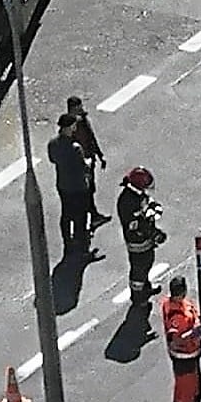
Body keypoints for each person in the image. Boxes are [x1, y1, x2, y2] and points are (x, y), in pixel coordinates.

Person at [47, 113, 96, 257]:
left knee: (66, 214)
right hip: (78, 186)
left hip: (63, 184)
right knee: (80, 217)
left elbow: (52, 160)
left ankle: (67, 242)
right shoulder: (75, 148)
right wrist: (88, 162)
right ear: (69, 127)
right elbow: (84, 166)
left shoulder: (53, 144)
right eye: (73, 126)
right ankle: (82, 249)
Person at [161, 273, 201, 402]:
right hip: (184, 358)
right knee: (189, 391)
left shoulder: (170, 304)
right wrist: (195, 333)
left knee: (182, 388)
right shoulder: (178, 316)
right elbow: (176, 339)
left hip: (187, 356)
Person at [116, 166, 163, 304]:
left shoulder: (138, 195)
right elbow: (137, 226)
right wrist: (154, 234)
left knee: (147, 264)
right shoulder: (127, 202)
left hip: (146, 241)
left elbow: (148, 203)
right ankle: (138, 297)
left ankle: (146, 288)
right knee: (138, 270)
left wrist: (154, 209)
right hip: (137, 243)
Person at [66, 95, 109, 225]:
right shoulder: (72, 127)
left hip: (89, 160)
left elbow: (91, 138)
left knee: (89, 190)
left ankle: (92, 215)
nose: (81, 109)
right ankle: (90, 217)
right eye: (78, 108)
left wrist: (100, 155)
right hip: (82, 164)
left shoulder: (83, 120)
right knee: (86, 191)